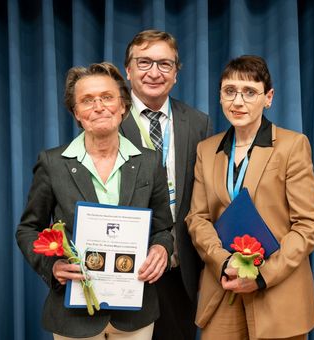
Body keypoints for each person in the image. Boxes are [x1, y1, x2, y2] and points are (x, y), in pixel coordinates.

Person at [16, 62, 174, 340]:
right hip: (73, 316)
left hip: (135, 313)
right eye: (87, 101)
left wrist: (161, 249)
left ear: (123, 105)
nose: (99, 107)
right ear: (76, 113)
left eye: (107, 97)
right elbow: (28, 230)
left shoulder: (149, 162)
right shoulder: (53, 163)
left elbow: (163, 228)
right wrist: (52, 268)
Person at [185, 55, 314, 340]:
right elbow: (197, 218)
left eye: (249, 92)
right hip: (223, 288)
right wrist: (225, 263)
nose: (238, 101)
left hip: (278, 293)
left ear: (268, 97)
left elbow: (307, 226)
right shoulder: (206, 150)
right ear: (221, 97)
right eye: (229, 91)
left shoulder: (292, 145)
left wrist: (261, 276)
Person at [120, 29, 212, 340]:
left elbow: (204, 195)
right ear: (128, 70)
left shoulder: (199, 122)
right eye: (144, 62)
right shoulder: (109, 119)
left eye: (165, 64)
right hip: (127, 263)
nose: (154, 73)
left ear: (176, 73)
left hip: (181, 266)